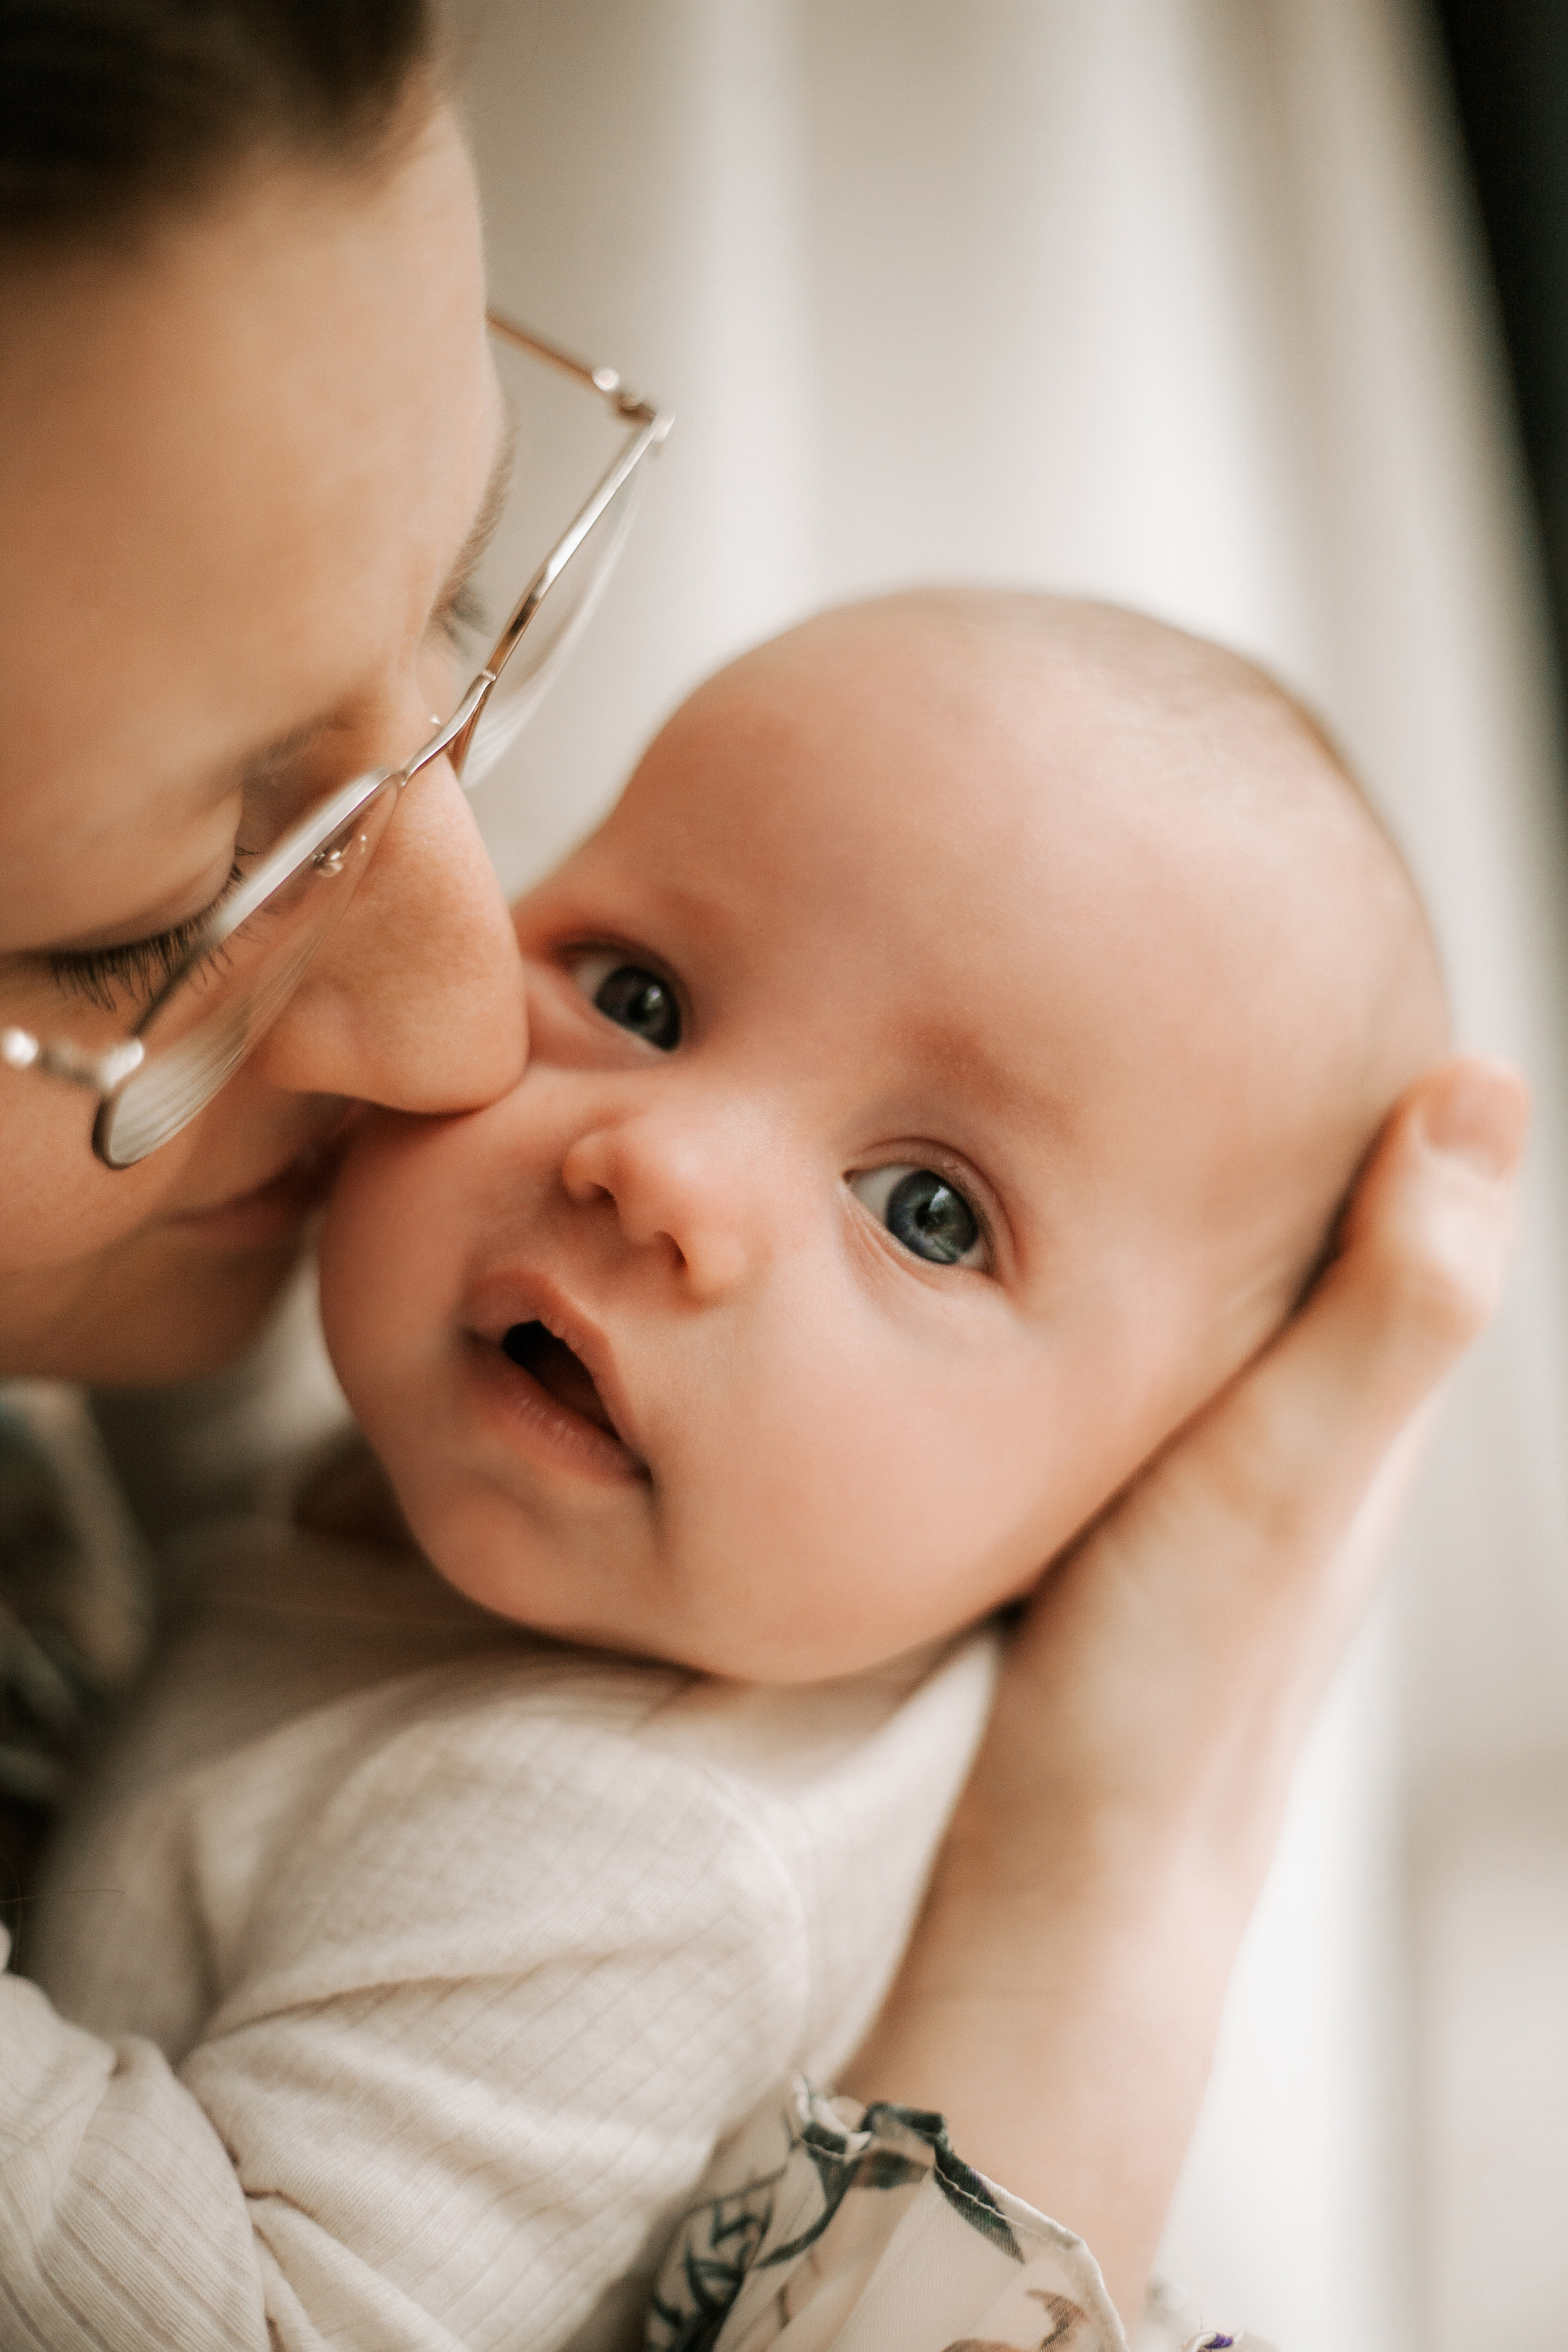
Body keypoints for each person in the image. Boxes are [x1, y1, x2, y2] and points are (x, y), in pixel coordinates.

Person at [0, 6, 1528, 2348]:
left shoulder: (642, 1863)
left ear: (1119, 1492)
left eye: (461, 652)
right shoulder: (497, 1539)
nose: (637, 1159)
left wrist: (1105, 1840)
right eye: (637, 988)